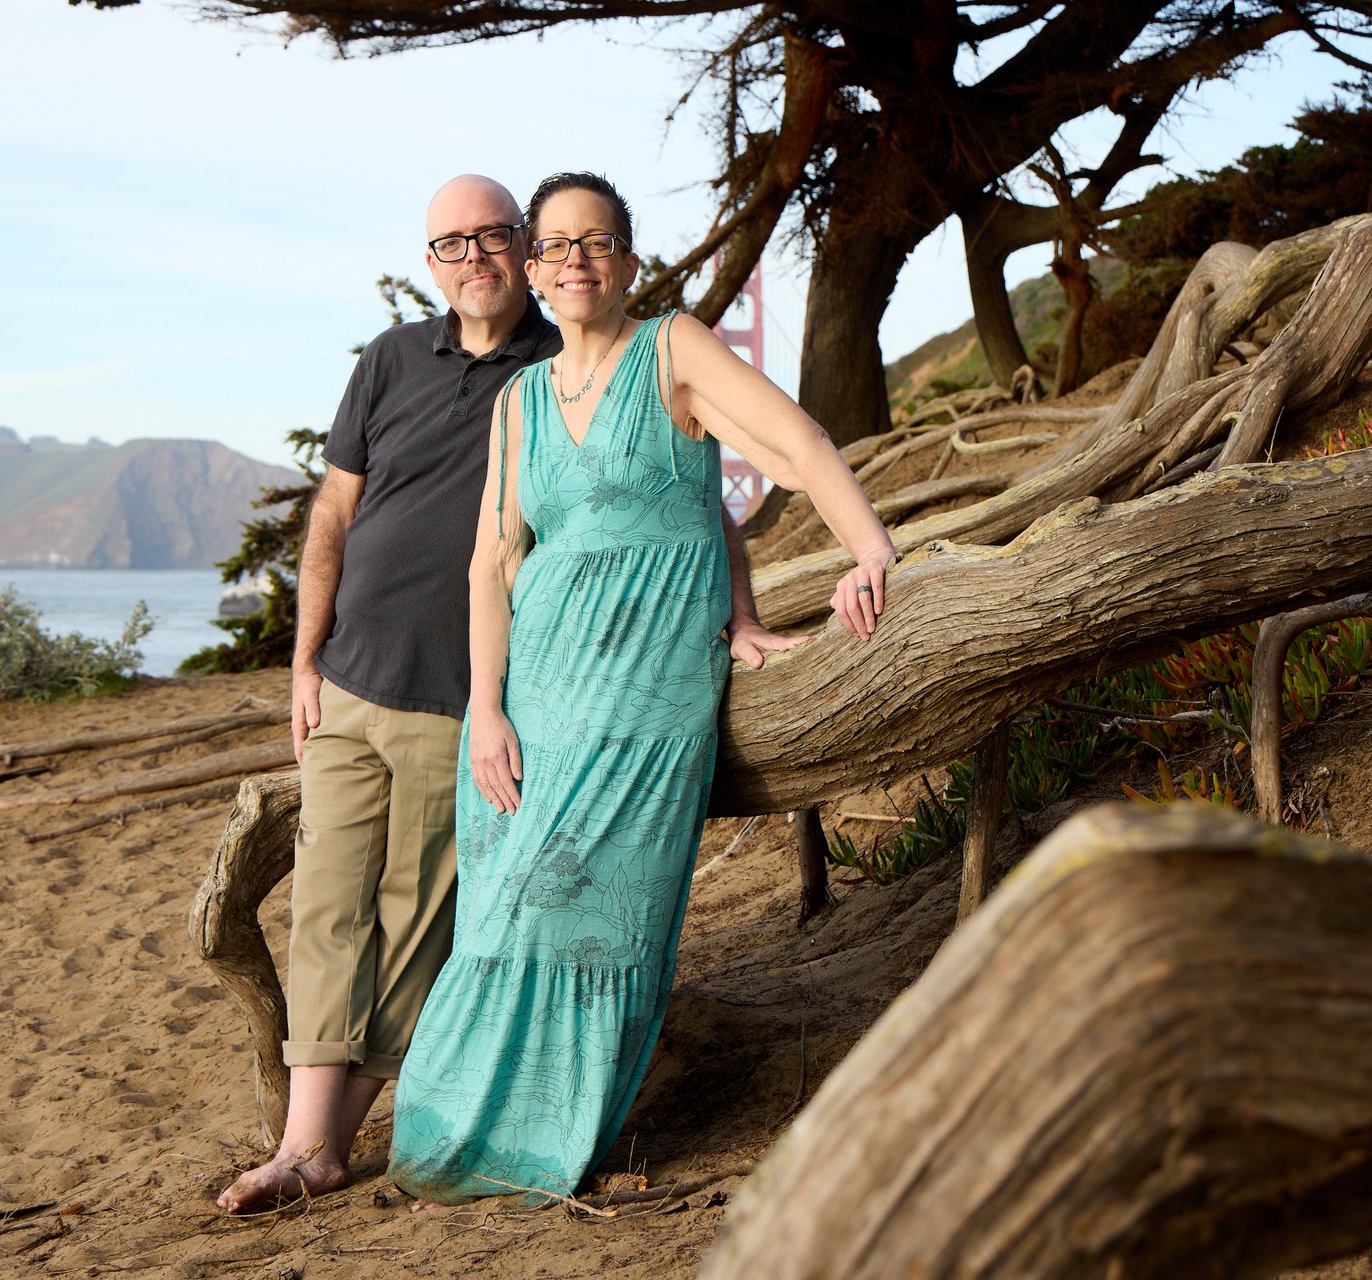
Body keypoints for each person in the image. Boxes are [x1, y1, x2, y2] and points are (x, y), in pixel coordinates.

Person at [217, 174, 795, 1213]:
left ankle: (337, 1143)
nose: (474, 255)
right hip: (352, 674)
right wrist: (303, 661)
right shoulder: (390, 358)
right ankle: (303, 1142)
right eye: (452, 241)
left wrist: (739, 610)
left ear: (525, 248)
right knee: (326, 903)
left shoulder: (570, 351)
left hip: (469, 691)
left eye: (492, 235)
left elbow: (682, 486)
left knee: (414, 918)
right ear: (430, 260)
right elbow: (333, 515)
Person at [386, 172, 897, 1207]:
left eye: (598, 241)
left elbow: (793, 446)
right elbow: (493, 563)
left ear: (626, 261)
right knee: (499, 914)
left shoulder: (675, 349)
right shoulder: (520, 400)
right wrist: (486, 708)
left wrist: (869, 550)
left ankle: (546, 1146)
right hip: (533, 691)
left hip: (643, 686)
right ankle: (452, 1140)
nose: (576, 259)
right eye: (556, 244)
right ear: (534, 270)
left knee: (578, 913)